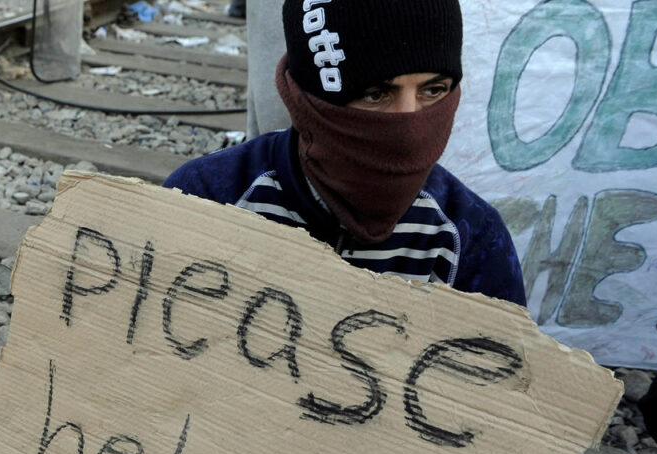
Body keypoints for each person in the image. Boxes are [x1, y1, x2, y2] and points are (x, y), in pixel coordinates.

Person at [164, 0, 526, 306]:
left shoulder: (469, 237)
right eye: (375, 95)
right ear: (311, 100)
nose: (410, 127)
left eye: (432, 90)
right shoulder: (208, 198)